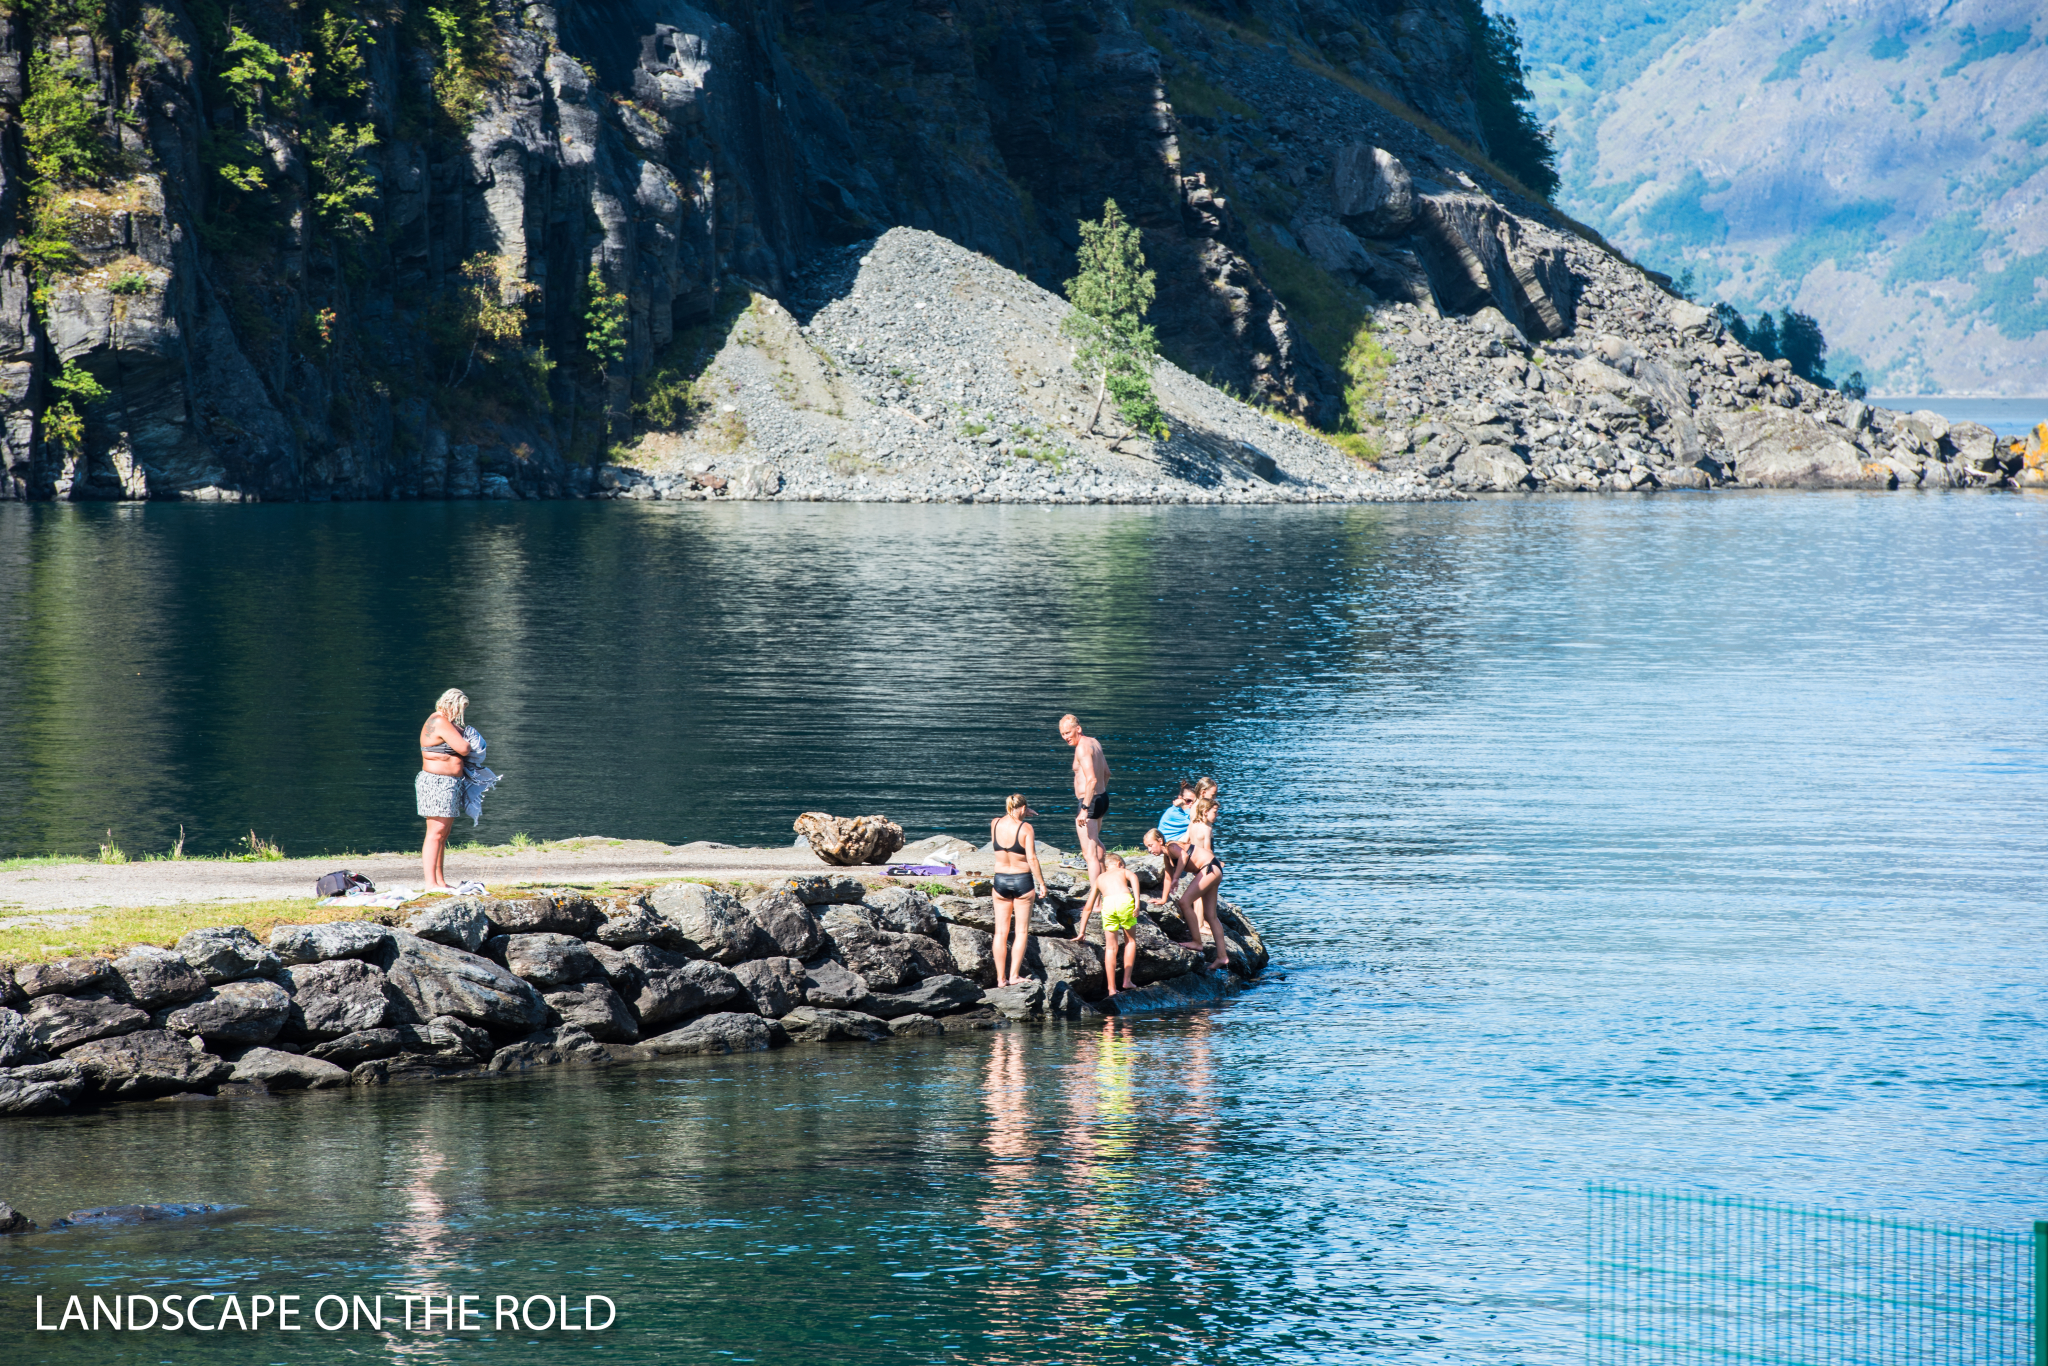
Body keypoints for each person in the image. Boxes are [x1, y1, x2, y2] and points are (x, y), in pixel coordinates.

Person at [988, 794, 1048, 988]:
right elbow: (1031, 858)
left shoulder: (995, 823)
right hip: (1022, 880)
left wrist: (1020, 813)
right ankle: (1013, 975)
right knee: (1021, 931)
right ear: (1023, 808)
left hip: (1000, 880)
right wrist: (1042, 883)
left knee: (1000, 933)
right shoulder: (1026, 828)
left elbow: (1005, 829)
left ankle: (1000, 979)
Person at [417, 688, 473, 892]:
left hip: (450, 784)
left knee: (444, 833)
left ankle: (440, 881)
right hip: (437, 783)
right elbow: (464, 748)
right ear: (451, 705)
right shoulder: (439, 720)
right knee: (435, 833)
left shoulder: (445, 722)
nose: (460, 715)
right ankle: (431, 883)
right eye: (460, 709)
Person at [1076, 850, 1143, 1000]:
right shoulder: (1123, 870)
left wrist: (1082, 932)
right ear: (1120, 864)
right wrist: (1137, 903)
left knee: (1111, 947)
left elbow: (1088, 907)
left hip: (1108, 905)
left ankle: (1111, 988)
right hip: (1124, 901)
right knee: (1130, 941)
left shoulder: (1100, 878)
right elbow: (1134, 878)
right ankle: (1127, 981)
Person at [1175, 796, 1231, 972]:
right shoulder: (1206, 828)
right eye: (1215, 812)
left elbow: (1185, 841)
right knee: (1211, 915)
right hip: (1210, 868)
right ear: (1205, 812)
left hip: (1205, 870)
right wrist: (1216, 861)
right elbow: (1207, 850)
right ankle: (1222, 956)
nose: (1216, 815)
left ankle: (1198, 941)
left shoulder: (1192, 826)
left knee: (1192, 905)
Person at [1059, 713, 1111, 880]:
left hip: (1089, 802)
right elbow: (1107, 773)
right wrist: (1099, 795)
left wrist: (1085, 808)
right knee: (1095, 844)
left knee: (1089, 854)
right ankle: (1106, 886)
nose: (1065, 737)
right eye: (1062, 734)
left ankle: (1095, 903)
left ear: (1078, 729)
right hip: (1101, 798)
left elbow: (1092, 779)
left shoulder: (1082, 748)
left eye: (1068, 732)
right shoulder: (1094, 742)